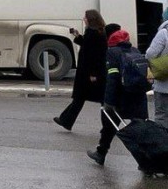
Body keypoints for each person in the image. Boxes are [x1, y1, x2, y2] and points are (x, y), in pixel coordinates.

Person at [88, 28, 149, 167]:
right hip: (138, 96)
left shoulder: (112, 53)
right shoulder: (136, 51)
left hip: (120, 98)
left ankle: (101, 153)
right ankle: (146, 161)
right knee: (140, 129)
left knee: (109, 127)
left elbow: (112, 77)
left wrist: (108, 101)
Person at [54, 10, 107, 131]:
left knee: (89, 99)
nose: (84, 19)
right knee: (83, 98)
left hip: (89, 73)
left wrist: (93, 73)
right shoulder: (99, 31)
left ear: (91, 19)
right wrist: (77, 36)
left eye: (86, 17)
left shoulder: (92, 33)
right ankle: (66, 120)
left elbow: (93, 55)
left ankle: (108, 126)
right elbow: (88, 46)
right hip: (91, 72)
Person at [147, 18, 168, 128]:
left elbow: (150, 54)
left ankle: (163, 142)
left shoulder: (164, 33)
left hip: (163, 84)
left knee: (162, 115)